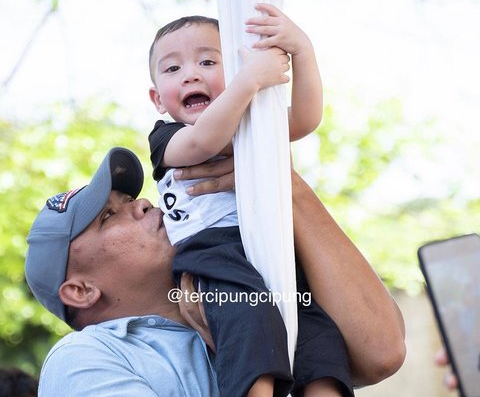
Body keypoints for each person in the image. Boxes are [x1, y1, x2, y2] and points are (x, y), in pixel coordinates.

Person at [24, 147, 406, 396]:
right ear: (80, 291)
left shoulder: (244, 287)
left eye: (128, 199)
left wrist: (282, 185)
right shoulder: (82, 358)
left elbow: (382, 352)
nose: (140, 204)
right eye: (108, 217)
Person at [147, 3, 341, 397]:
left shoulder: (254, 123)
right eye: (173, 69)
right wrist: (248, 82)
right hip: (215, 258)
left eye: (207, 61)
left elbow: (305, 119)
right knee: (249, 323)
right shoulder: (166, 138)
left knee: (318, 342)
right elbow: (206, 141)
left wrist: (302, 51)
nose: (191, 75)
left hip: (274, 249)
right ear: (157, 99)